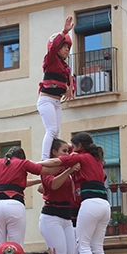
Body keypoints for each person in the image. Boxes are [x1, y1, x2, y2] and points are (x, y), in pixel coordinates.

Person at [46, 132, 111, 254]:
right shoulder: (97, 160)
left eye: (73, 146)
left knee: (83, 245)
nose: (71, 150)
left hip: (90, 204)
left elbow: (58, 161)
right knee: (97, 247)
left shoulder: (81, 157)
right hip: (104, 205)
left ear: (80, 146)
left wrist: (35, 164)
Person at [0, 147, 58, 254]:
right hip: (14, 204)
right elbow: (48, 171)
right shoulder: (23, 163)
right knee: (16, 250)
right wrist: (66, 165)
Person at [39, 139, 79, 254]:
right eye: (64, 151)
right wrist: (68, 170)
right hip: (51, 216)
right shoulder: (47, 168)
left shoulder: (65, 166)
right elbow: (54, 185)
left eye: (68, 151)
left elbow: (73, 149)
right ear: (54, 152)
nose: (68, 154)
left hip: (66, 217)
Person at [38, 16, 74, 161]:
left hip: (56, 102)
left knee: (56, 132)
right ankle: (45, 159)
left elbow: (71, 82)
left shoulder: (66, 68)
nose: (67, 49)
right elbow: (52, 47)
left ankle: (55, 155)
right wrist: (64, 31)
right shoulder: (51, 59)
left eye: (68, 47)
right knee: (51, 130)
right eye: (64, 46)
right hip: (46, 100)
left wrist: (70, 89)